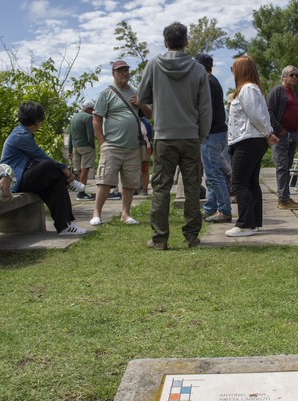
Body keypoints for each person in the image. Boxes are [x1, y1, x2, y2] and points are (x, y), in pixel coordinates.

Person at [138, 22, 212, 250]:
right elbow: (205, 109)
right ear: (186, 42)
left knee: (161, 187)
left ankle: (159, 239)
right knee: (192, 188)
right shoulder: (199, 70)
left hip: (164, 136)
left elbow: (141, 95)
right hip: (190, 136)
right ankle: (191, 237)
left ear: (165, 42)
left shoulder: (153, 65)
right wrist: (200, 136)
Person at [0, 101, 88, 235]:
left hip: (24, 175)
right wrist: (66, 171)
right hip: (13, 181)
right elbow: (41, 157)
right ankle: (69, 182)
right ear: (35, 120)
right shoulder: (20, 136)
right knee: (48, 165)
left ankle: (65, 225)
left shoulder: (24, 133)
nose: (41, 122)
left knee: (57, 181)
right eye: (41, 119)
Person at [91, 60, 152, 227]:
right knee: (104, 180)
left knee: (130, 183)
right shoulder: (107, 93)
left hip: (133, 146)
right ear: (113, 73)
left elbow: (149, 114)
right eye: (120, 71)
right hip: (112, 145)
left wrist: (140, 103)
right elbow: (96, 119)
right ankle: (97, 214)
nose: (124, 73)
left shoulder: (136, 92)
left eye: (126, 70)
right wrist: (102, 142)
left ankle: (125, 214)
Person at [224, 55, 279, 237]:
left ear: (241, 71)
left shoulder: (247, 89)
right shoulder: (252, 89)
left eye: (233, 69)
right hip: (252, 140)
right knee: (251, 182)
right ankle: (253, 222)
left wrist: (268, 133)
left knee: (239, 183)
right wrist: (267, 133)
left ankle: (245, 224)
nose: (232, 73)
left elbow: (256, 115)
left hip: (248, 140)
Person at [195, 53, 231, 224]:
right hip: (217, 133)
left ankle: (224, 210)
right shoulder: (213, 81)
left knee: (214, 174)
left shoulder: (208, 83)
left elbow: (204, 111)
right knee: (211, 175)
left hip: (212, 134)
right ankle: (210, 208)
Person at [266, 65, 298, 211]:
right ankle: (283, 200)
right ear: (284, 76)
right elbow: (268, 112)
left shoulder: (294, 92)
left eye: (296, 75)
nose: (294, 77)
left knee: (287, 168)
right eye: (291, 75)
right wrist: (279, 130)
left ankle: (286, 197)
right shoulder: (277, 90)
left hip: (293, 135)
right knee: (282, 167)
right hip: (282, 136)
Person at [67, 100, 96, 200]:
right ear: (88, 108)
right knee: (85, 170)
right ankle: (82, 193)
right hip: (86, 147)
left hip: (75, 147)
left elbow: (70, 136)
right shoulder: (88, 117)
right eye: (92, 109)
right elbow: (90, 135)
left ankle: (79, 192)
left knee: (78, 170)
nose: (92, 111)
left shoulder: (73, 118)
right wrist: (93, 147)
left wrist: (70, 151)